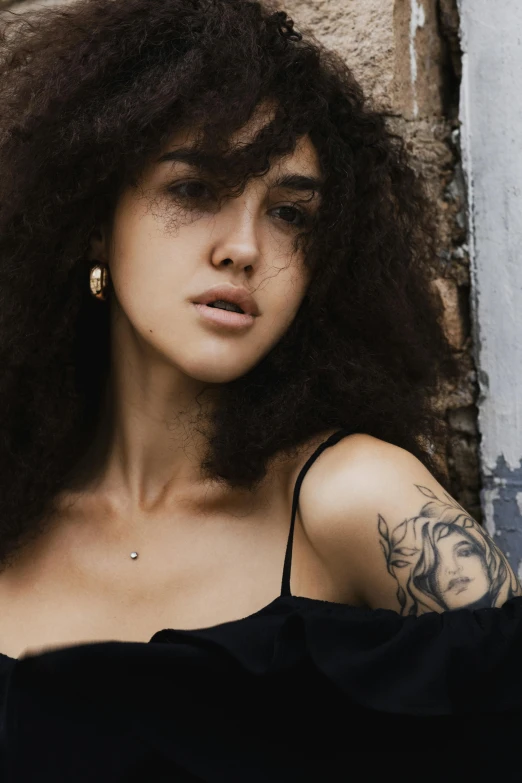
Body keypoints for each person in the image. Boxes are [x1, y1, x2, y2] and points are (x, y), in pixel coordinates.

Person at [0, 0, 521, 781]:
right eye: (196, 188)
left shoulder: (351, 499)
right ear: (94, 220)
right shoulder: (13, 512)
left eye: (289, 212)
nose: (245, 247)